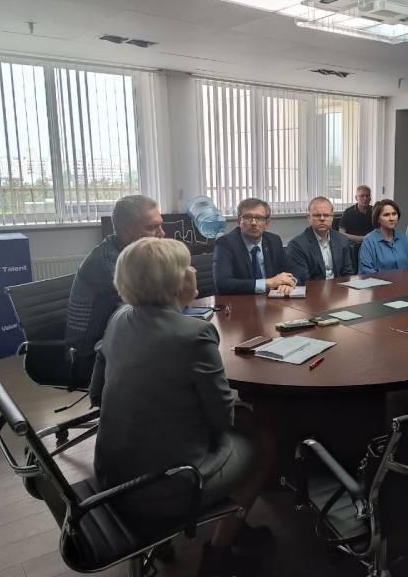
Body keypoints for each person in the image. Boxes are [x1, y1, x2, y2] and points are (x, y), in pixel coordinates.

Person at [90, 238, 272, 576]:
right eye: (186, 266)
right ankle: (219, 553)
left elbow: (96, 394)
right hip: (166, 483)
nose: (192, 270)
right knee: (265, 442)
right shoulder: (195, 333)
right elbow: (222, 418)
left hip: (112, 473)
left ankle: (228, 524)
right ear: (173, 281)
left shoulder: (118, 318)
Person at [65, 195, 164, 387]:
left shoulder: (134, 254)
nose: (162, 233)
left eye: (160, 225)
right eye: (152, 227)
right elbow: (149, 305)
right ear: (126, 229)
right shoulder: (106, 262)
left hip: (120, 338)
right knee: (175, 359)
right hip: (90, 354)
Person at [213, 198, 296, 295]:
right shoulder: (225, 243)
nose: (253, 223)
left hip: (272, 299)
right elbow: (222, 283)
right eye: (248, 217)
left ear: (267, 223)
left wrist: (289, 283)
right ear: (239, 221)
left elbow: (291, 270)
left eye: (259, 218)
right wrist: (268, 283)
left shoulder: (274, 240)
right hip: (241, 301)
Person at [287, 196, 353, 282]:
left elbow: (347, 274)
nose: (322, 219)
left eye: (326, 215)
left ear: (332, 217)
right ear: (309, 218)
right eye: (317, 215)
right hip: (313, 289)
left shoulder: (342, 240)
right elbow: (303, 280)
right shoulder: (297, 245)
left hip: (338, 288)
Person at [358, 199, 408, 274]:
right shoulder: (369, 241)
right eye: (386, 215)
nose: (391, 218)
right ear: (378, 219)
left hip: (406, 280)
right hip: (378, 281)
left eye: (394, 214)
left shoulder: (403, 237)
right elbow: (367, 271)